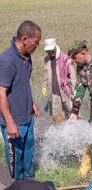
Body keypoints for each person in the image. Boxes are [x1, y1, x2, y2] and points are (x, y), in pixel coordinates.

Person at [0, 20, 41, 180]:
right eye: (36, 43)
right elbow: (1, 93)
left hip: (27, 118)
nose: (37, 47)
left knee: (28, 151)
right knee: (16, 159)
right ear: (25, 39)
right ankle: (18, 184)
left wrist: (31, 102)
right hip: (13, 122)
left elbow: (22, 82)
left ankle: (29, 180)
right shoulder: (7, 61)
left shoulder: (26, 56)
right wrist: (10, 122)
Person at [42, 38, 76, 122]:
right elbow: (46, 74)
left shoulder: (65, 58)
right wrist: (44, 86)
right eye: (48, 51)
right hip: (54, 92)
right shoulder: (47, 59)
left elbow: (73, 77)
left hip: (65, 91)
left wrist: (73, 91)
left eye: (51, 50)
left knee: (72, 114)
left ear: (55, 47)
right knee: (57, 116)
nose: (50, 53)